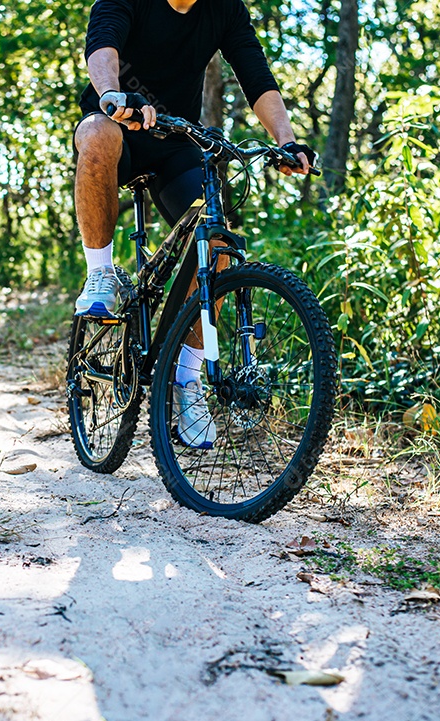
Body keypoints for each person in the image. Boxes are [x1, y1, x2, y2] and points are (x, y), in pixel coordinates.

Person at [72, 0, 315, 448]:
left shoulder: (223, 9)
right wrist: (112, 93)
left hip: (176, 142)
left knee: (217, 242)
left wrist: (286, 141)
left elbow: (256, 76)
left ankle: (187, 381)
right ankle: (101, 274)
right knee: (95, 134)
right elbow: (102, 46)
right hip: (118, 123)